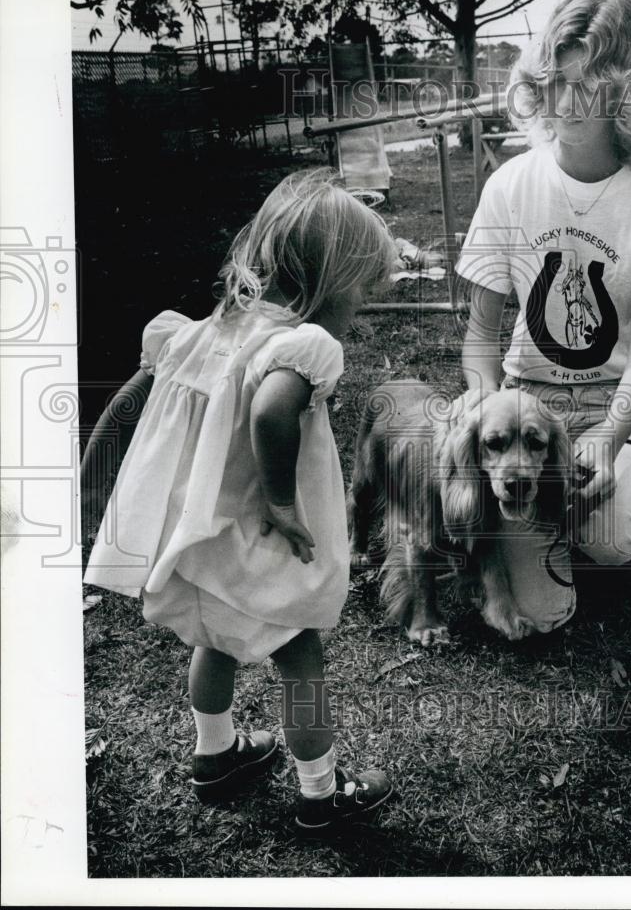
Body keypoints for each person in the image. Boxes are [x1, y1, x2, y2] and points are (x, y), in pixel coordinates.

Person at [82, 168, 397, 832]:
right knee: (301, 654)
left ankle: (216, 754)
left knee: (213, 641)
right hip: (253, 533)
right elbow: (272, 415)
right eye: (361, 292)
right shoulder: (303, 345)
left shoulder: (191, 332)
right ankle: (320, 793)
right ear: (326, 283)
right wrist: (282, 502)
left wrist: (92, 484)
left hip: (195, 541)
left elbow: (121, 409)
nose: (361, 309)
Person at [457, 0, 631, 575]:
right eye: (554, 82)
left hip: (617, 408)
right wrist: (487, 406)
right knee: (461, 515)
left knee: (615, 540)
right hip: (523, 406)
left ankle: (558, 527)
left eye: (588, 87)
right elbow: (481, 335)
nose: (565, 103)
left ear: (629, 93)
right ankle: (533, 530)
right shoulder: (510, 185)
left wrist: (609, 439)